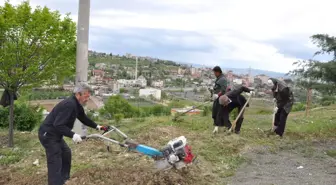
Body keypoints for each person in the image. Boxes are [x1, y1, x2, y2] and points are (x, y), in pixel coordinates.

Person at [38, 83, 107, 185]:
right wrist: (73, 135)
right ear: (78, 94)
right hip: (48, 135)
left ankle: (64, 180)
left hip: (56, 135)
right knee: (55, 161)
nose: (87, 99)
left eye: (89, 96)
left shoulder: (76, 104)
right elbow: (58, 125)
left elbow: (83, 118)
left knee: (66, 153)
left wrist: (97, 126)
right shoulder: (69, 105)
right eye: (86, 96)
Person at [211, 66, 228, 133]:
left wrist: (218, 95)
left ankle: (217, 127)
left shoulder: (223, 79)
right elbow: (217, 87)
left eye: (215, 72)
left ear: (218, 72)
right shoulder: (219, 78)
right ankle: (217, 126)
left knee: (218, 113)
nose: (214, 74)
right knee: (214, 112)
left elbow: (223, 90)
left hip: (220, 99)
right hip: (216, 98)